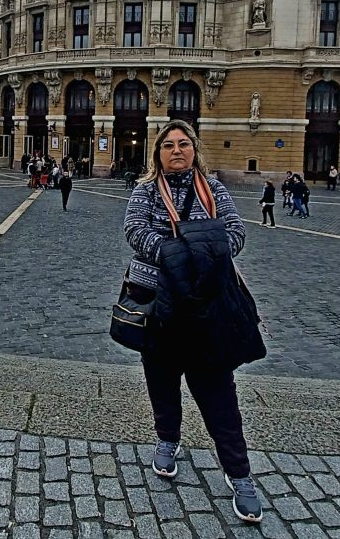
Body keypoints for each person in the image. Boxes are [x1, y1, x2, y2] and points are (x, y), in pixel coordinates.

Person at [122, 120, 262, 524]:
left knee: (219, 394)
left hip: (208, 308)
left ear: (194, 150)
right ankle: (168, 441)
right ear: (158, 154)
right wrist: (182, 250)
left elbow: (235, 233)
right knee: (161, 382)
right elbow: (134, 230)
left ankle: (239, 474)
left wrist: (193, 250)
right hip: (161, 305)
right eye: (168, 145)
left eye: (184, 144)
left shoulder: (214, 189)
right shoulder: (146, 191)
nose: (177, 150)